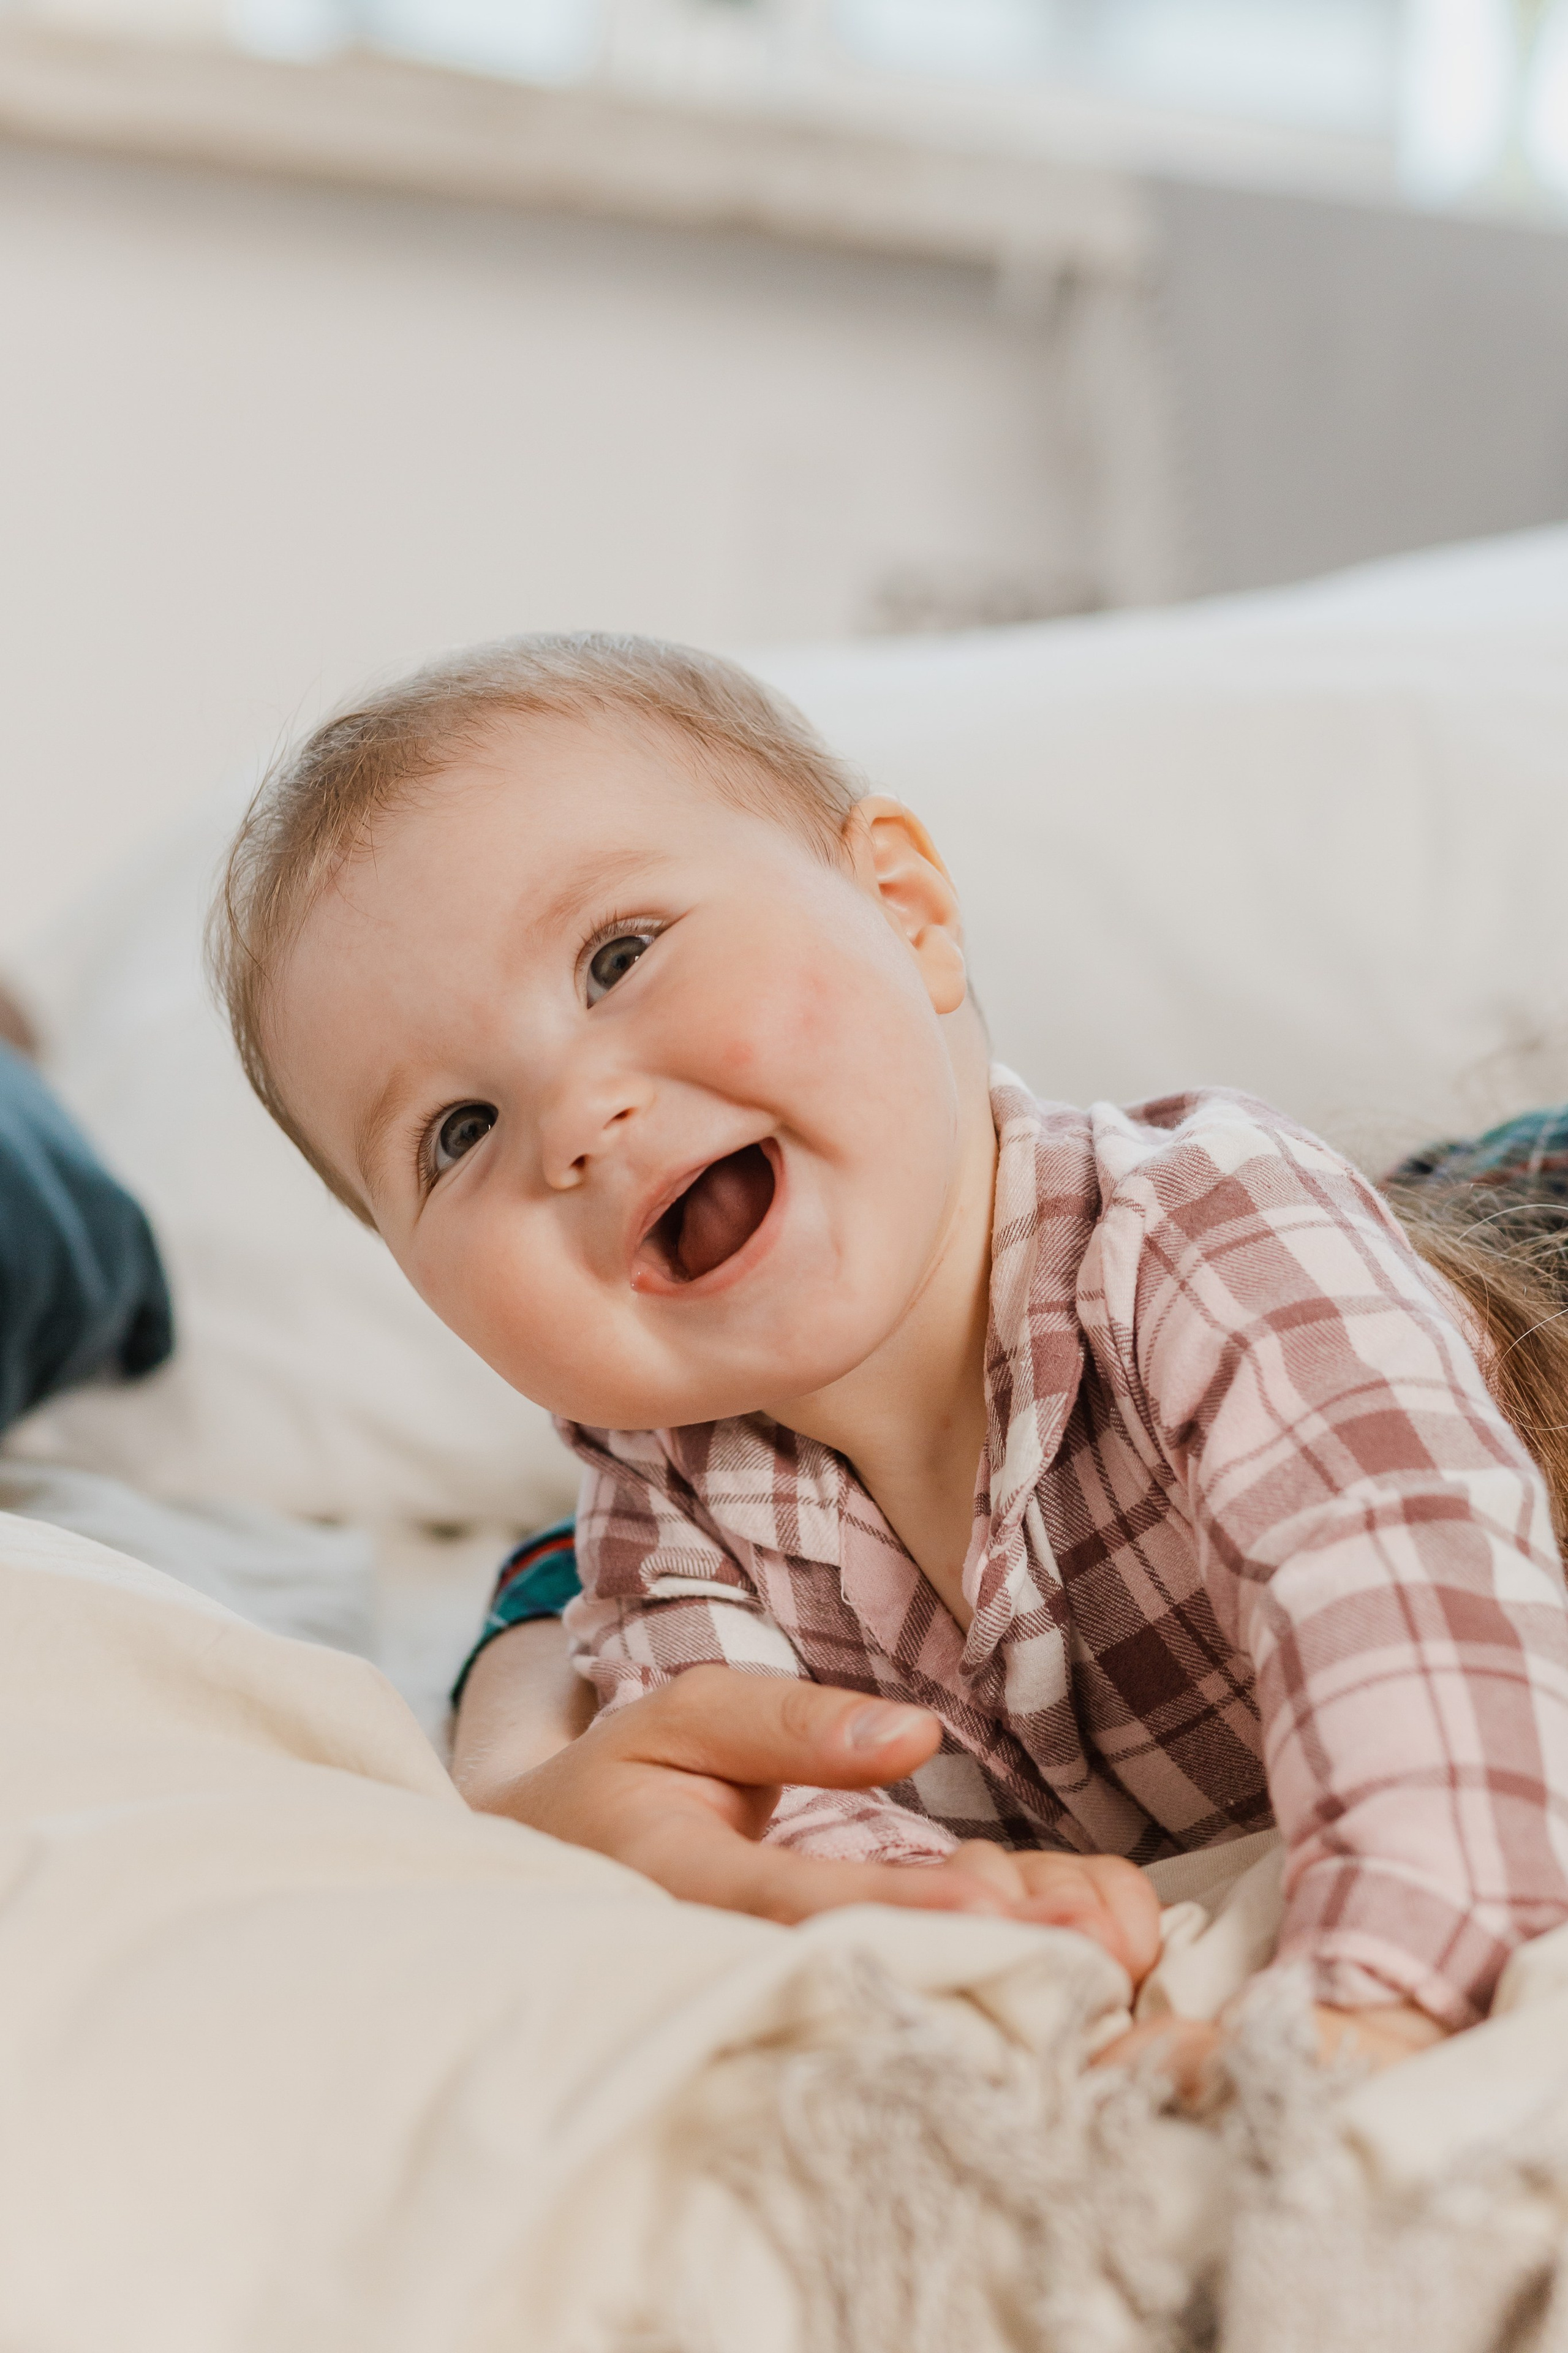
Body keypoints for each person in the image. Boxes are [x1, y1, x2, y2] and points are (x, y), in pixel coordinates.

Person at [210, 633, 1568, 2082]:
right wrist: (974, 1937)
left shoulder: (1201, 1225)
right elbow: (782, 1837)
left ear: (904, 910)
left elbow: (1399, 1587)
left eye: (618, 957)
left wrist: (1382, 1995)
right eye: (457, 1132)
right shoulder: (660, 1507)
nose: (573, 1117)